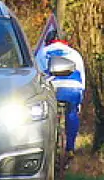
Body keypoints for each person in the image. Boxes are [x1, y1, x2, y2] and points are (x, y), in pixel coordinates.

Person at [37, 21, 87, 156]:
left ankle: (45, 146)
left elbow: (37, 75)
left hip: (52, 87)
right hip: (73, 88)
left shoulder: (42, 52)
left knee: (45, 114)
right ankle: (70, 147)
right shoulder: (75, 54)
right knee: (72, 112)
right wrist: (80, 101)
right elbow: (82, 77)